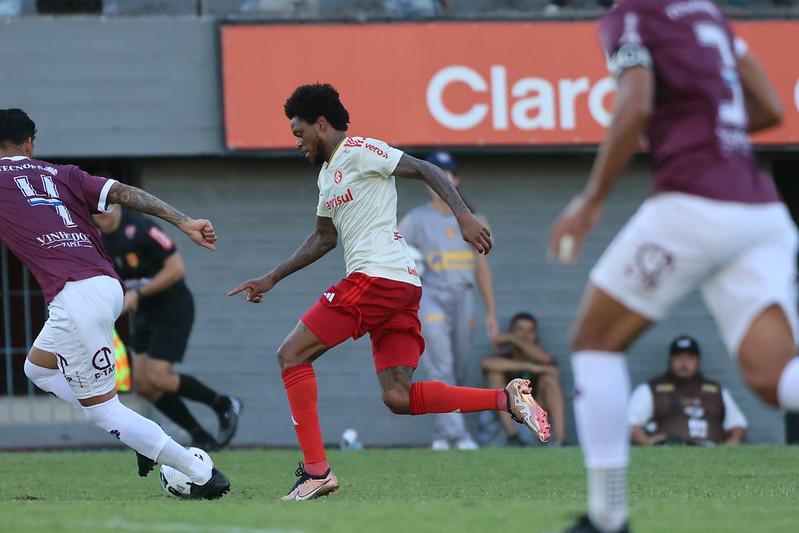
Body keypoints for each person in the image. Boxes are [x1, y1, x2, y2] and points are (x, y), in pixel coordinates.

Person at [229, 83, 550, 501]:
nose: (298, 142)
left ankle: (316, 471)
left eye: (299, 132)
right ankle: (506, 399)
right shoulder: (328, 176)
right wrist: (273, 277)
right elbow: (323, 238)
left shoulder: (360, 149)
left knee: (291, 355)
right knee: (398, 396)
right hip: (397, 288)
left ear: (321, 124)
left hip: (377, 279)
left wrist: (463, 217)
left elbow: (425, 169)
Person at [548, 0, 799, 530]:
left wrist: (590, 200)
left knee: (594, 342)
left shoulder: (631, 15)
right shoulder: (708, 14)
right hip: (761, 210)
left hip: (693, 205)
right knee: (776, 380)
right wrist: (694, 129)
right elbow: (771, 109)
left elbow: (635, 102)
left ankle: (608, 516)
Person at [0, 108, 229, 498]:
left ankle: (201, 474)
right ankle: (138, 434)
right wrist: (185, 221)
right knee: (37, 367)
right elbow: (124, 193)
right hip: (106, 286)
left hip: (75, 297)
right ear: (29, 144)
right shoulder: (63, 174)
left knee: (104, 411)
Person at [95, 206, 242, 451]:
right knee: (143, 384)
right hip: (144, 312)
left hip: (172, 308)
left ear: (118, 205)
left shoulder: (142, 229)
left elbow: (176, 269)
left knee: (158, 377)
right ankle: (199, 435)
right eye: (96, 209)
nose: (103, 213)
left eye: (108, 206)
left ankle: (224, 404)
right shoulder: (98, 239)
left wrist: (137, 294)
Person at [399, 151, 499, 451]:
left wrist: (491, 312)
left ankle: (442, 434)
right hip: (431, 298)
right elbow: (395, 253)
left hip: (463, 297)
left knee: (458, 366)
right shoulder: (415, 220)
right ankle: (458, 435)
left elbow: (482, 268)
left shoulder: (475, 219)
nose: (441, 180)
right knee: (441, 364)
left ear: (456, 179)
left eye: (447, 173)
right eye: (435, 174)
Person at [628, 335, 747, 447]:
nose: (684, 363)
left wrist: (730, 446)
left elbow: (737, 425)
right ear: (670, 360)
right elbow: (630, 422)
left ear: (698, 360)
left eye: (690, 357)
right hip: (668, 452)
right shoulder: (651, 388)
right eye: (679, 357)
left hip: (711, 452)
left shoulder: (716, 390)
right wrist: (646, 442)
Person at [481, 312, 566, 446]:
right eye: (519, 330)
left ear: (536, 336)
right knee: (494, 376)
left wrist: (514, 339)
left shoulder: (542, 357)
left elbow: (547, 360)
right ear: (511, 333)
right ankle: (513, 437)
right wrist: (531, 367)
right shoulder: (504, 358)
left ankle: (561, 441)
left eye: (529, 331)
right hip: (504, 423)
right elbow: (487, 364)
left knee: (550, 379)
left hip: (535, 422)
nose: (524, 335)